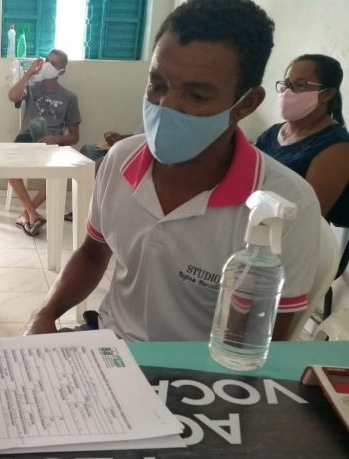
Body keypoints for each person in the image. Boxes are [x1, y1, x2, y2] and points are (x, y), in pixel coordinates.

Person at [26, 0, 321, 342]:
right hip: (110, 344)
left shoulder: (283, 206)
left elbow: (267, 344)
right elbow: (93, 254)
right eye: (157, 84)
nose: (167, 106)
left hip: (199, 379)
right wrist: (44, 315)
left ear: (247, 104)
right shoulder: (120, 160)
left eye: (196, 95)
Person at [255, 54, 349, 274]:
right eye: (286, 84)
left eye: (299, 86)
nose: (288, 92)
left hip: (290, 248)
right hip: (254, 227)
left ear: (328, 94)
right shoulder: (272, 134)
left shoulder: (337, 147)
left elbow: (305, 219)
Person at [7, 49, 81, 236]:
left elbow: (74, 136)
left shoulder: (69, 97)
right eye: (47, 60)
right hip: (27, 138)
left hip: (52, 143)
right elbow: (12, 96)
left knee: (60, 172)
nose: (48, 65)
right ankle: (32, 213)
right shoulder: (31, 88)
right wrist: (30, 73)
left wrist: (57, 139)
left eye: (53, 63)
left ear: (62, 71)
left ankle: (26, 214)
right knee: (8, 164)